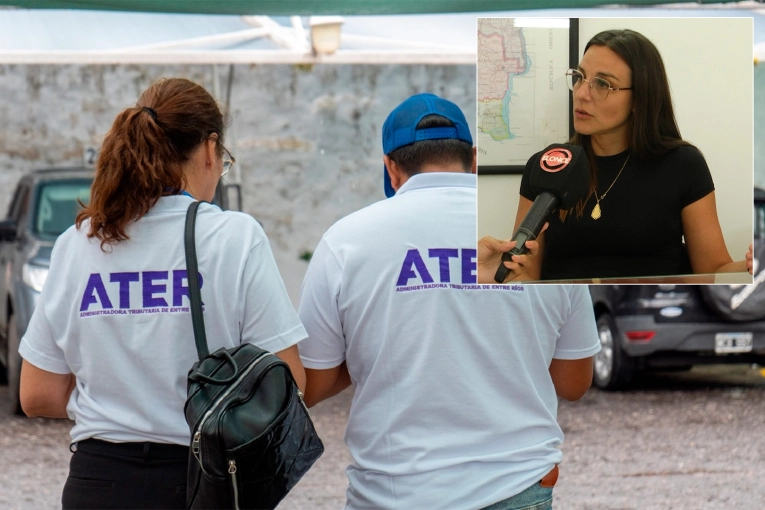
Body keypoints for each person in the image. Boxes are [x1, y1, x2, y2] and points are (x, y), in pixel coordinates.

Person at [297, 93, 600, 510]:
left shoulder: (346, 241)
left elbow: (311, 383)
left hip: (392, 495)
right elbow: (574, 382)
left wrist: (379, 343)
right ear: (474, 159)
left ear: (390, 166)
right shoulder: (539, 241)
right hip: (516, 488)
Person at [18, 78, 307, 509]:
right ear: (209, 150)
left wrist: (118, 396)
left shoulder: (78, 242)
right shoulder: (234, 236)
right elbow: (289, 381)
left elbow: (37, 393)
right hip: (200, 481)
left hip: (98, 484)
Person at [482, 29, 752, 282]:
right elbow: (529, 276)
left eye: (602, 84)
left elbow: (713, 271)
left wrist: (753, 266)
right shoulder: (550, 164)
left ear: (640, 98)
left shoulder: (683, 165)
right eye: (580, 77)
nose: (582, 94)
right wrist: (503, 276)